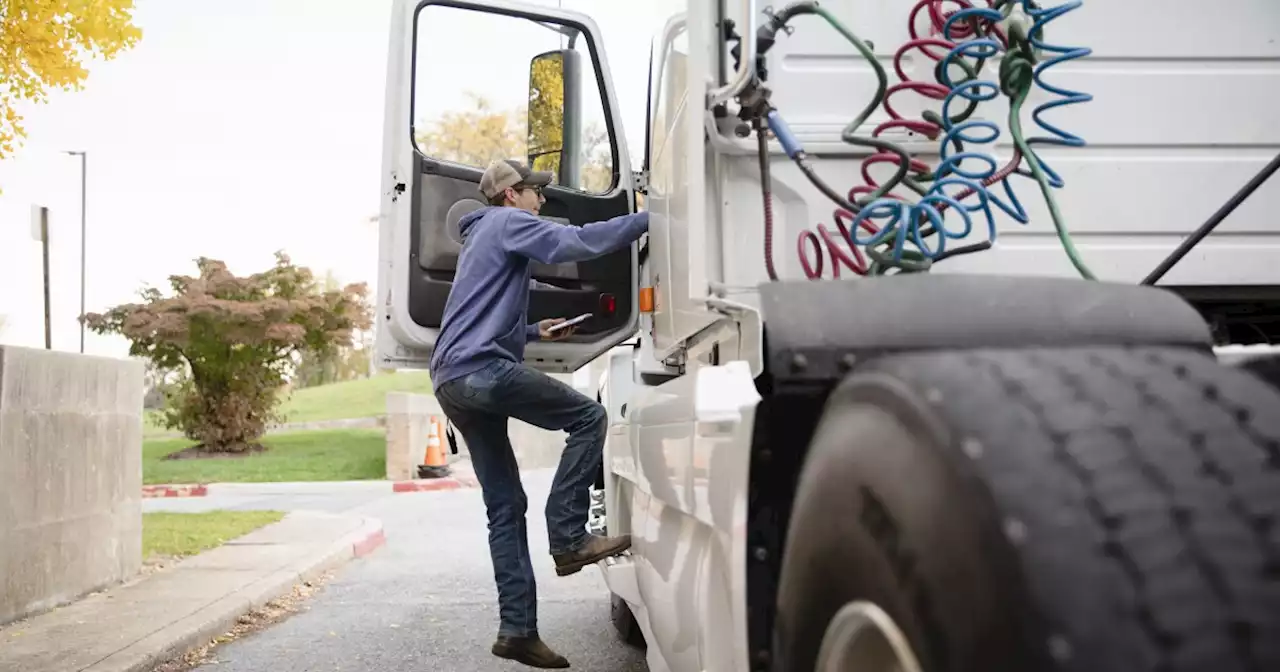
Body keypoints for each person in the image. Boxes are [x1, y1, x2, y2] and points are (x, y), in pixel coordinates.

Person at [429, 159, 648, 668]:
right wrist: (651, 218)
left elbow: (477, 314)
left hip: (451, 379)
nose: (541, 201)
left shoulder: (481, 239)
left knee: (504, 508)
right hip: (482, 371)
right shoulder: (508, 223)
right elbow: (576, 243)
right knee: (589, 420)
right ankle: (569, 538)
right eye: (535, 192)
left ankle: (517, 631)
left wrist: (533, 331)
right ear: (511, 194)